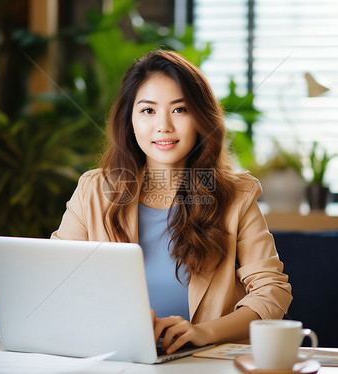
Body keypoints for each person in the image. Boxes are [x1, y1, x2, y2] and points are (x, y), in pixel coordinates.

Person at [52, 50, 292, 354]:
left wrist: (202, 333)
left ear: (201, 118)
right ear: (130, 120)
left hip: (204, 361)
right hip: (114, 358)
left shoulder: (236, 196)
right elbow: (57, 280)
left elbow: (272, 292)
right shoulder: (94, 190)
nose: (163, 126)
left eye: (179, 110)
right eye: (148, 111)